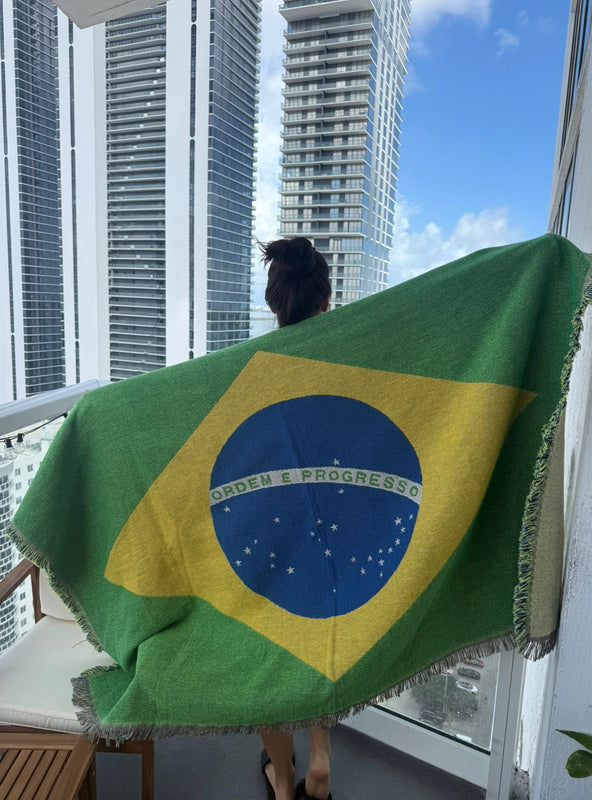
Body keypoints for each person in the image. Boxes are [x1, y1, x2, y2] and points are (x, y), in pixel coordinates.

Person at [258, 236, 333, 800]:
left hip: (268, 538)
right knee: (323, 643)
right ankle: (322, 759)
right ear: (325, 301)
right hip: (333, 531)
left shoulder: (250, 373)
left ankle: (282, 780)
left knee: (272, 657)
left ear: (272, 303)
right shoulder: (350, 363)